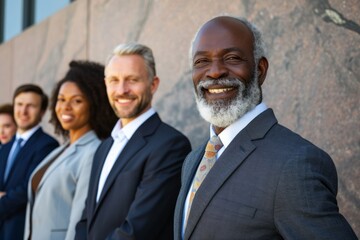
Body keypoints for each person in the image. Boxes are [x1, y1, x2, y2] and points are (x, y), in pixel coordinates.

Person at [174, 16, 357, 240]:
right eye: (201, 61)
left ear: (260, 70)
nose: (214, 72)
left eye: (231, 58)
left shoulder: (294, 164)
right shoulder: (193, 160)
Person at [75, 42, 191, 240]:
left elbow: (137, 231)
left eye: (132, 80)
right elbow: (87, 220)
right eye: (114, 80)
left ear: (153, 84)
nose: (121, 90)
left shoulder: (170, 145)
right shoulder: (104, 147)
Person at [24, 61, 117, 240]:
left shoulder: (93, 152)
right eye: (61, 99)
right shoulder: (61, 150)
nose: (66, 107)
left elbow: (79, 222)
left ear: (95, 104)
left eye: (77, 101)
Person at [0, 84, 59, 240]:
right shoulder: (5, 147)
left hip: (20, 231)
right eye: (19, 104)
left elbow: (29, 188)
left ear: (42, 112)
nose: (23, 111)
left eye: (30, 106)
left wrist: (3, 200)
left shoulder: (47, 145)